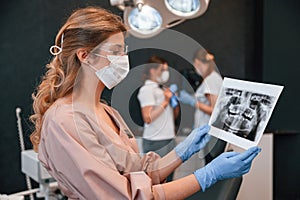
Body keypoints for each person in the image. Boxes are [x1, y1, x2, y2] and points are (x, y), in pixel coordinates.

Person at [30, 6, 261, 199]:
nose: (123, 60)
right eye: (116, 52)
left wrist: (183, 151)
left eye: (124, 51)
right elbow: (128, 196)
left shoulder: (107, 112)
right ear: (84, 55)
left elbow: (141, 174)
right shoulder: (64, 121)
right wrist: (207, 175)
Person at [179, 49, 226, 163]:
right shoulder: (212, 78)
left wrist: (192, 102)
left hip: (210, 133)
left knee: (210, 166)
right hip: (209, 132)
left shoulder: (211, 80)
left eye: (196, 64)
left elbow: (214, 110)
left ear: (200, 62)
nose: (195, 68)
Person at [137, 55, 179, 181]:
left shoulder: (162, 90)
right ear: (152, 70)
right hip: (156, 141)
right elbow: (148, 117)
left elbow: (173, 117)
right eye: (162, 70)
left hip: (169, 138)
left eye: (167, 70)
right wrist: (166, 101)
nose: (166, 74)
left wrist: (174, 103)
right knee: (157, 181)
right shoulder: (147, 90)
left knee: (169, 180)